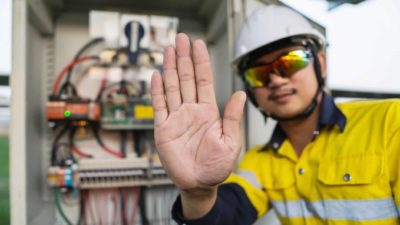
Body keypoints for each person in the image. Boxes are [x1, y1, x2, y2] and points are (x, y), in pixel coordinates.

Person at [150, 5, 400, 225]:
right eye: (259, 73)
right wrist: (199, 194)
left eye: (290, 62)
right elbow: (226, 216)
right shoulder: (259, 163)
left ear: (320, 63)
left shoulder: (390, 122)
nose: (277, 79)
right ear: (250, 88)